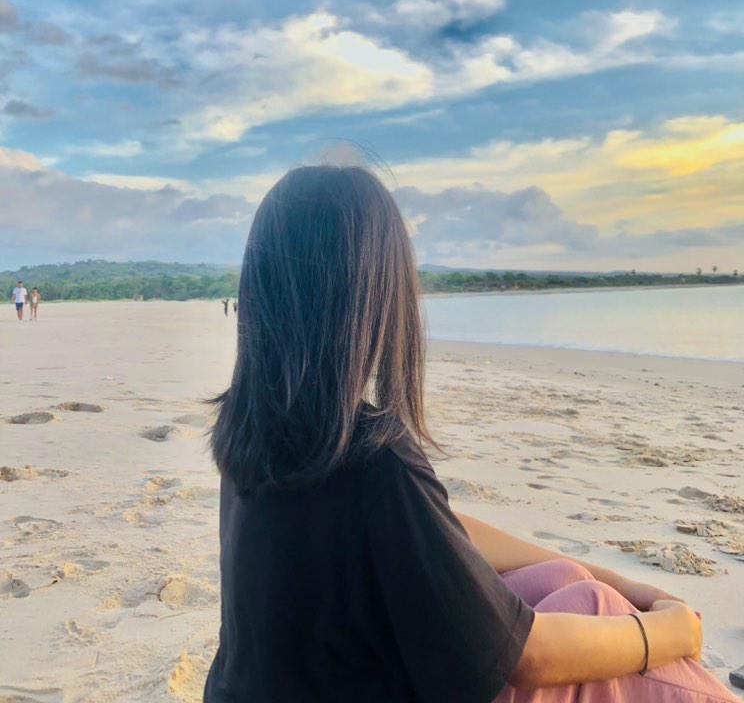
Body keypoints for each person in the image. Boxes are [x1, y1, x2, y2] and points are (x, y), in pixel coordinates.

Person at [204, 165, 736, 703]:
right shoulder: (372, 460)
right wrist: (671, 632)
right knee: (595, 609)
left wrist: (625, 583)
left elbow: (438, 529)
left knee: (563, 579)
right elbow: (529, 659)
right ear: (375, 298)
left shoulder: (256, 434)